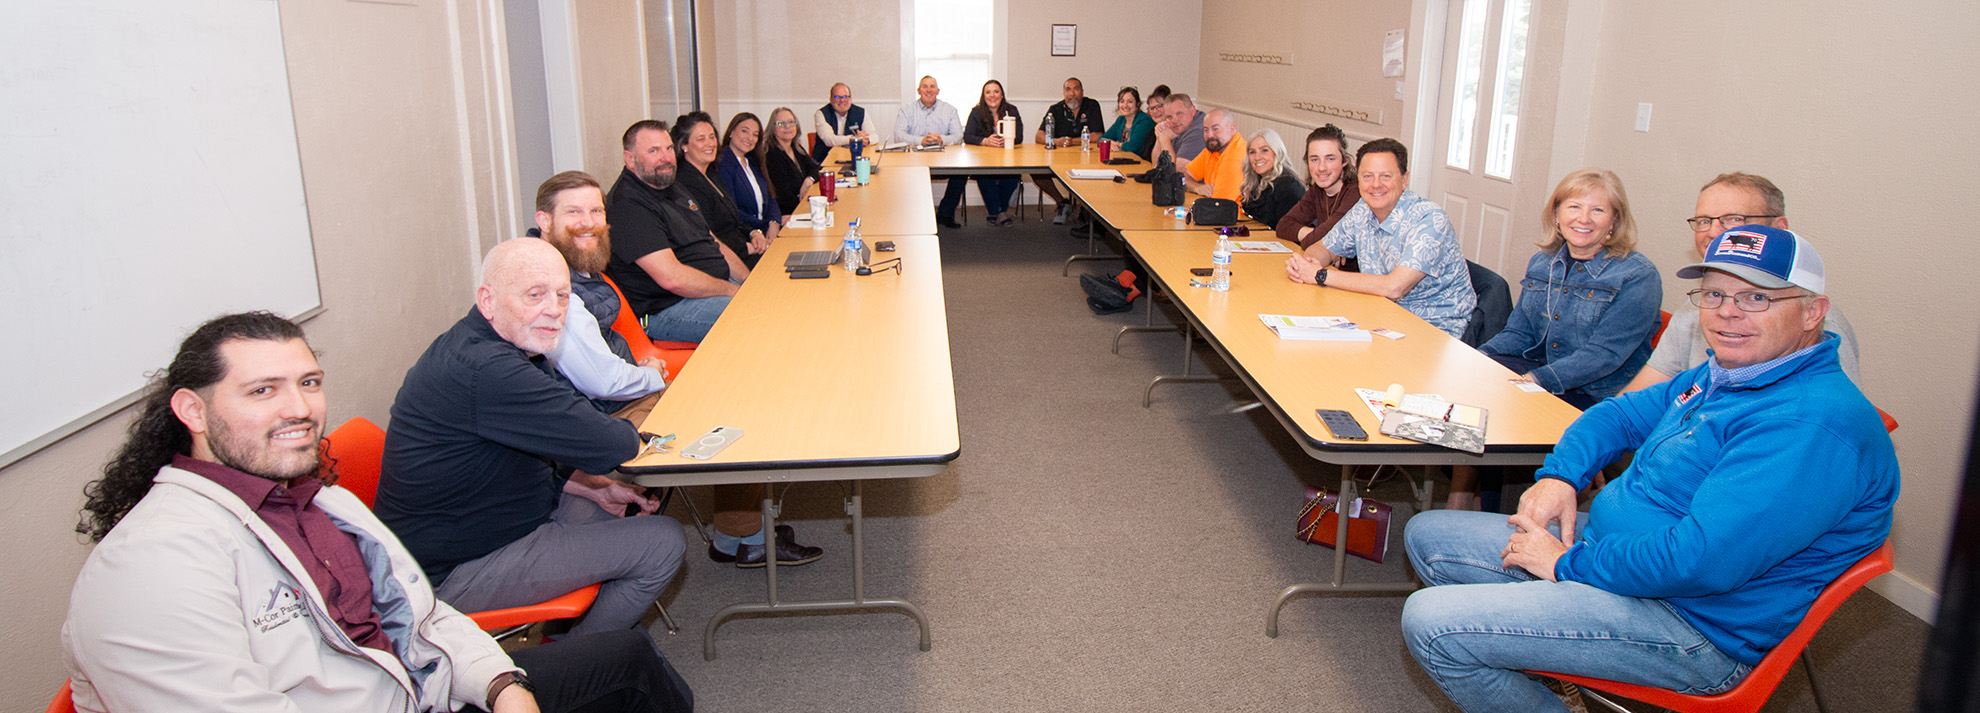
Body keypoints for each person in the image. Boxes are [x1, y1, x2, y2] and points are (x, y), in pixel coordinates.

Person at [65, 312, 692, 713]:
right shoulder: (149, 566)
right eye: (262, 391)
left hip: (418, 685)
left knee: (629, 662)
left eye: (308, 383)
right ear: (193, 413)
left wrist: (502, 688)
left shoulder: (323, 500)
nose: (298, 408)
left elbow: (425, 617)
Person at [1400, 226, 1897, 713]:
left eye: (1755, 299)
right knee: (1429, 536)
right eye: (1715, 293)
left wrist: (1564, 565)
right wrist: (1561, 476)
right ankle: (1546, 660)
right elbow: (1618, 414)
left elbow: (1700, 561)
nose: (1727, 313)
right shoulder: (1730, 371)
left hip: (1690, 622)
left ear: (1813, 312)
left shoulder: (1808, 423)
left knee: (1431, 624)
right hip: (1618, 559)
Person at [376, 239, 687, 638]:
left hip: (495, 519)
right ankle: (582, 662)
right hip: (453, 571)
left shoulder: (489, 344)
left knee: (609, 496)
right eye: (535, 295)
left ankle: (565, 633)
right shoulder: (489, 370)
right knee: (662, 541)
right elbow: (613, 444)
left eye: (562, 296)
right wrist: (626, 440)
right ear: (488, 300)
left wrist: (591, 488)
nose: (554, 310)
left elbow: (535, 447)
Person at [1447, 168, 1663, 511]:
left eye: (1598, 210)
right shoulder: (1544, 262)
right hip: (1543, 370)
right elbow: (1520, 332)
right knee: (1473, 391)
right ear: (1557, 215)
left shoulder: (1637, 275)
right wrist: (1477, 360)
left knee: (1506, 413)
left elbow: (1604, 355)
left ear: (1614, 221)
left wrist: (1535, 380)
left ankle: (1503, 518)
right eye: (1574, 207)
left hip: (1597, 390)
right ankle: (1461, 504)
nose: (1584, 219)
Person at [1620, 171, 1861, 393]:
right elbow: (1641, 396)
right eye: (1704, 220)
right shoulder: (1693, 307)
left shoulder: (1812, 322)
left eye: (1733, 219)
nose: (1714, 232)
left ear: (1779, 228)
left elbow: (1836, 415)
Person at [1285, 138, 1475, 337]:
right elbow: (1322, 247)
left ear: (1404, 179)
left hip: (1432, 330)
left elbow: (1395, 287)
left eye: (1385, 176)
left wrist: (1320, 275)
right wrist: (1310, 263)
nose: (1376, 185)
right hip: (1380, 315)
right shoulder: (1362, 210)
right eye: (1367, 176)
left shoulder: (1429, 218)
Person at [533, 170, 669, 417]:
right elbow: (604, 383)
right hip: (604, 418)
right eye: (574, 212)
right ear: (545, 221)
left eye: (596, 211)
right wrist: (651, 374)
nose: (588, 223)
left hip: (620, 399)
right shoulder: (553, 290)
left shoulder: (574, 263)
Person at [603, 119, 750, 344]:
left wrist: (749, 281)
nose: (666, 157)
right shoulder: (628, 205)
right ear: (629, 159)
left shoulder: (670, 184)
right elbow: (672, 279)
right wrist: (734, 291)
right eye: (654, 151)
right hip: (667, 309)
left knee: (770, 297)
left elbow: (711, 241)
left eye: (668, 148)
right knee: (755, 317)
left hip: (709, 290)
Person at [674, 111, 768, 268]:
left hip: (743, 250)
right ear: (684, 146)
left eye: (712, 137)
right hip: (724, 263)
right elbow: (709, 235)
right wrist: (748, 248)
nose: (710, 143)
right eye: (701, 139)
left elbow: (734, 220)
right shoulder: (685, 183)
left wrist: (753, 233)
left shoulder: (711, 173)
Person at [894, 75, 967, 228]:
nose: (929, 90)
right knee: (905, 174)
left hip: (944, 160)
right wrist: (920, 140)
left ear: (938, 91)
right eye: (925, 86)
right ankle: (917, 215)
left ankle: (945, 213)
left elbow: (959, 136)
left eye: (932, 86)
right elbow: (898, 136)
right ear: (918, 90)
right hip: (914, 161)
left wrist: (942, 140)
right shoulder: (907, 110)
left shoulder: (950, 110)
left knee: (961, 173)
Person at [1277, 124, 1360, 252]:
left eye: (1330, 159)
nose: (1322, 167)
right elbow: (1283, 226)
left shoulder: (1356, 192)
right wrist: (1317, 235)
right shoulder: (1317, 190)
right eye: (1315, 159)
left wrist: (1315, 239)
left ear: (1344, 161)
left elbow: (1309, 243)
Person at [1034, 77, 1106, 223]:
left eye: (1076, 89)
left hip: (1086, 158)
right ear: (1064, 93)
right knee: (1036, 172)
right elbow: (1039, 136)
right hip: (1059, 158)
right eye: (1068, 90)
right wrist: (1056, 141)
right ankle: (1062, 202)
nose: (1072, 93)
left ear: (1082, 91)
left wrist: (1073, 141)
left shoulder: (1092, 106)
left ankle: (1085, 209)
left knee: (1089, 175)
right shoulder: (1056, 109)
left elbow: (1098, 135)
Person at [961, 79, 1024, 227]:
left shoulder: (1012, 110)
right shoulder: (976, 112)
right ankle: (1000, 212)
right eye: (988, 92)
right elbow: (967, 136)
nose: (992, 95)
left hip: (1008, 158)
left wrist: (1007, 141)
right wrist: (985, 141)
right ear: (983, 96)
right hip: (984, 160)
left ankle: (994, 212)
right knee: (985, 175)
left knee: (1013, 176)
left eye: (996, 91)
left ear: (1001, 95)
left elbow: (1019, 137)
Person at [715, 112, 782, 249]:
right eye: (745, 131)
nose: (750, 138)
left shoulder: (752, 162)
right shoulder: (723, 164)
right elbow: (732, 210)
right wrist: (765, 226)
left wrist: (774, 222)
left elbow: (770, 197)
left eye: (755, 134)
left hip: (766, 233)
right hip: (746, 236)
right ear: (731, 132)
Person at [758, 106, 821, 217]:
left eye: (791, 122)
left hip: (802, 207)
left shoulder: (796, 147)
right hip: (788, 214)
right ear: (773, 128)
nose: (787, 127)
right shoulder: (771, 155)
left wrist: (809, 179)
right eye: (781, 124)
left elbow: (816, 168)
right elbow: (783, 196)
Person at [1237, 128, 1304, 227]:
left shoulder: (1288, 187)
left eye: (1264, 150)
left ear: (1277, 153)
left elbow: (1285, 230)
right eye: (1252, 152)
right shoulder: (1257, 182)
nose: (1257, 157)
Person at [1183, 109, 1247, 200]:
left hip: (1232, 212)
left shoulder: (1235, 158)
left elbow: (1220, 205)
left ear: (1232, 129)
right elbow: (1184, 175)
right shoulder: (1213, 149)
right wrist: (1197, 187)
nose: (1210, 135)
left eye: (1215, 129)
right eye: (1206, 130)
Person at [811, 81, 869, 163]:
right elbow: (829, 140)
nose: (842, 100)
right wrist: (855, 138)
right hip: (825, 161)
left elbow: (874, 136)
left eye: (845, 97)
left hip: (853, 160)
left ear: (850, 99)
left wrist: (867, 140)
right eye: (837, 97)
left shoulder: (861, 112)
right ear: (831, 100)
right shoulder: (821, 114)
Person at [1149, 93, 1206, 170]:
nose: (1174, 120)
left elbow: (1175, 172)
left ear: (1192, 111)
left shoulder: (1199, 131)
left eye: (1179, 113)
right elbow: (1156, 166)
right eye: (1169, 117)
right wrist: (1160, 137)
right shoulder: (1180, 125)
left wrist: (1165, 139)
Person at [1102, 86, 1155, 160]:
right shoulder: (1121, 120)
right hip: (1125, 160)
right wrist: (1110, 144)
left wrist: (1117, 144)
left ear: (1137, 104)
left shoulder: (1145, 121)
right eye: (1122, 101)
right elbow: (1101, 140)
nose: (1125, 105)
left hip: (1142, 163)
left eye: (1130, 102)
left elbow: (1132, 146)